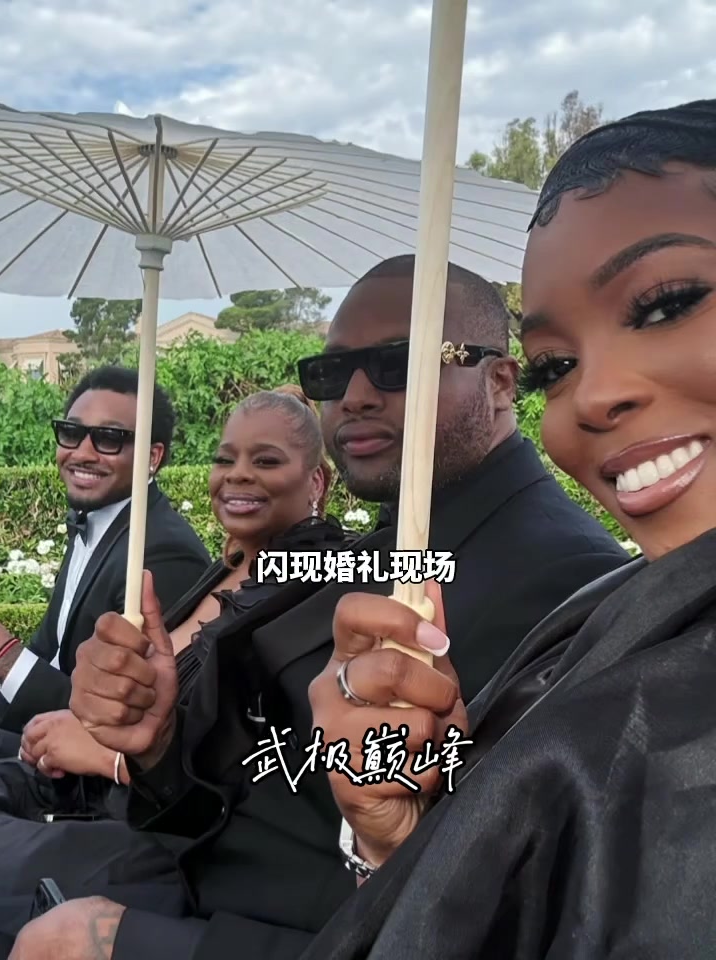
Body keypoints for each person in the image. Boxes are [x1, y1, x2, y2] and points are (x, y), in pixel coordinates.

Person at [13, 257, 629, 960]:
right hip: (167, 862)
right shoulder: (378, 549)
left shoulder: (564, 586)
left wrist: (118, 940)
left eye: (399, 363)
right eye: (332, 374)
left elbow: (481, 913)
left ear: (501, 381)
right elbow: (257, 787)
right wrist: (154, 740)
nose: (356, 396)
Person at [293, 99, 716, 960]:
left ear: (497, 386)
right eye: (560, 366)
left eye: (666, 304)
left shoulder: (556, 579)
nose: (592, 396)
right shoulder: (602, 615)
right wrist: (399, 845)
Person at [0, 386, 348, 918]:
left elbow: (263, 769)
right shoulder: (227, 568)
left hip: (162, 846)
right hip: (82, 793)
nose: (237, 474)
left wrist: (114, 758)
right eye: (224, 459)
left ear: (316, 481)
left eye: (266, 461)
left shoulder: (319, 587)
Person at [0, 366, 211, 757]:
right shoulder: (96, 519)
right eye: (71, 433)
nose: (81, 453)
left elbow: (114, 718)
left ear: (152, 456)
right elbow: (48, 653)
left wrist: (3, 655)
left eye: (109, 438)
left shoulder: (162, 554)